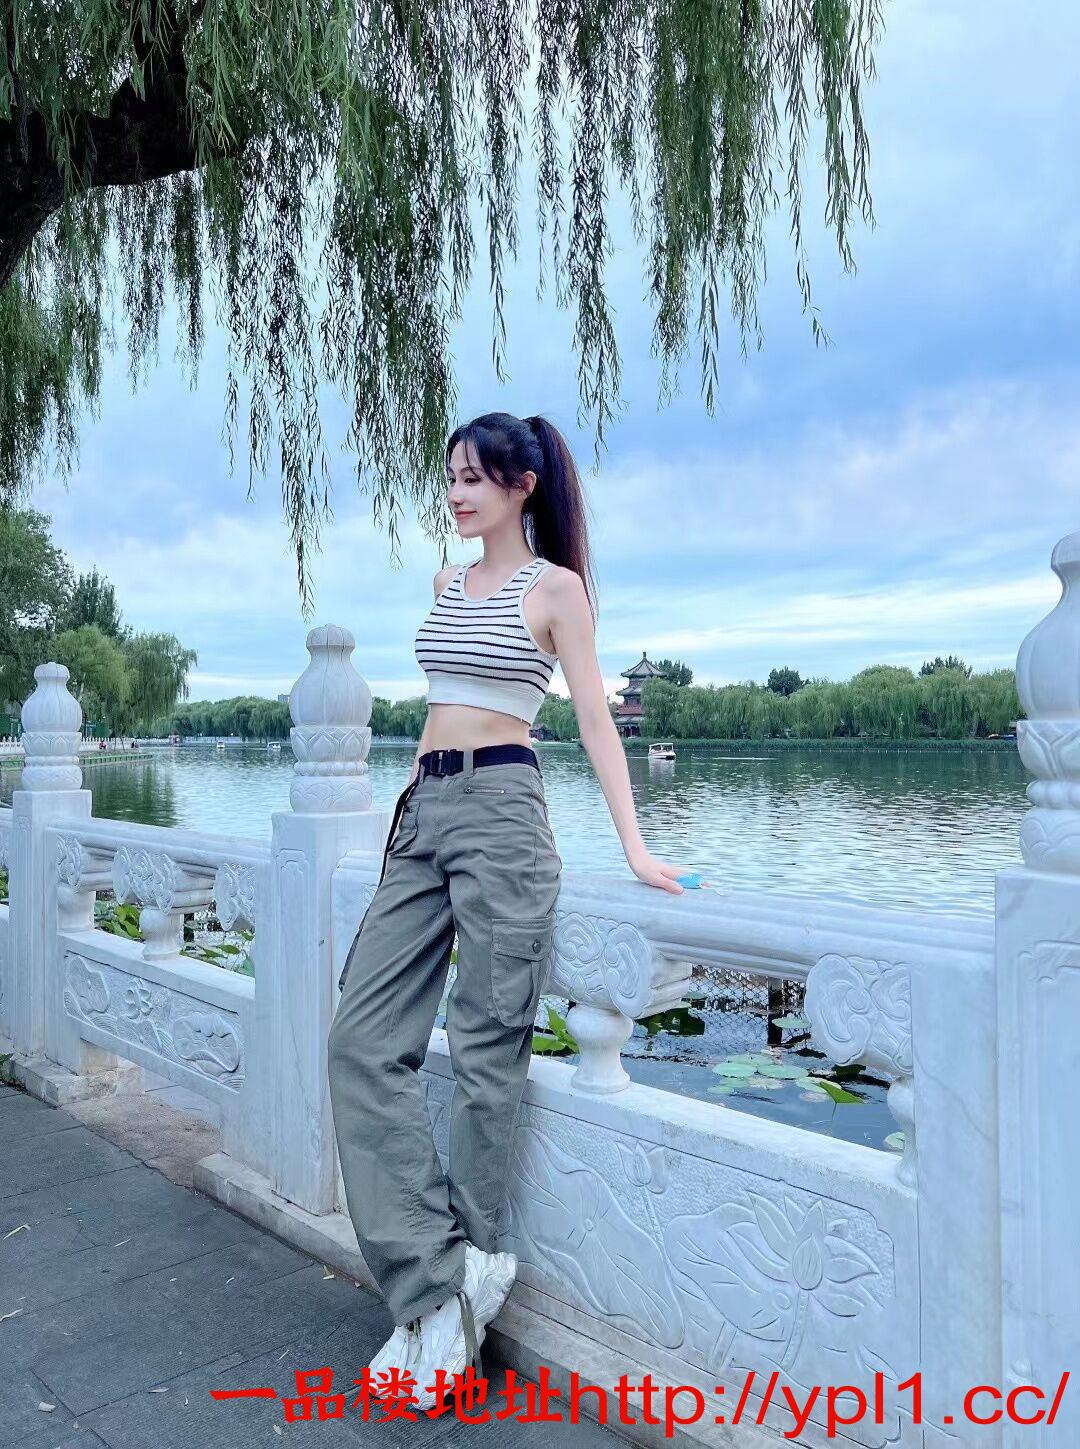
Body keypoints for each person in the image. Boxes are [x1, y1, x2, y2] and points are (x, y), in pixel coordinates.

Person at [327, 411, 700, 1409]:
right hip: (424, 806)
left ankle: (440, 1318)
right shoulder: (445, 584)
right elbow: (437, 700)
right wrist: (412, 811)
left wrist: (636, 847)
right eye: (450, 477)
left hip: (503, 810)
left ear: (520, 486)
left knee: (487, 1053)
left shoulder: (557, 589)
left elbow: (594, 719)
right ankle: (440, 1281)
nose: (456, 494)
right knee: (361, 1041)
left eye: (473, 478)